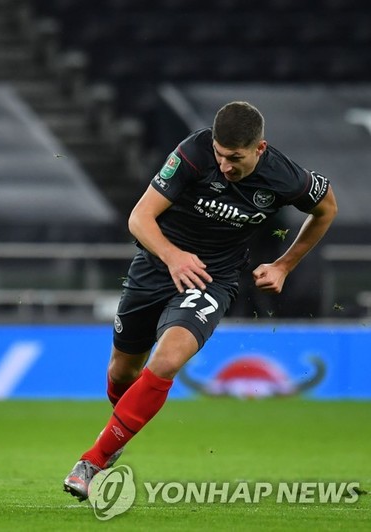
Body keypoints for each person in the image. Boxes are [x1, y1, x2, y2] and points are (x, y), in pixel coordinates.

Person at [63, 101, 337, 500]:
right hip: (156, 265)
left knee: (168, 359)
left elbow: (327, 207)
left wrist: (284, 265)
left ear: (260, 149)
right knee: (123, 373)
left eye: (235, 158)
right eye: (220, 155)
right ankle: (119, 432)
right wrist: (173, 256)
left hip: (212, 280)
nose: (225, 165)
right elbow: (139, 218)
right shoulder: (193, 153)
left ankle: (92, 461)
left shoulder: (285, 176)